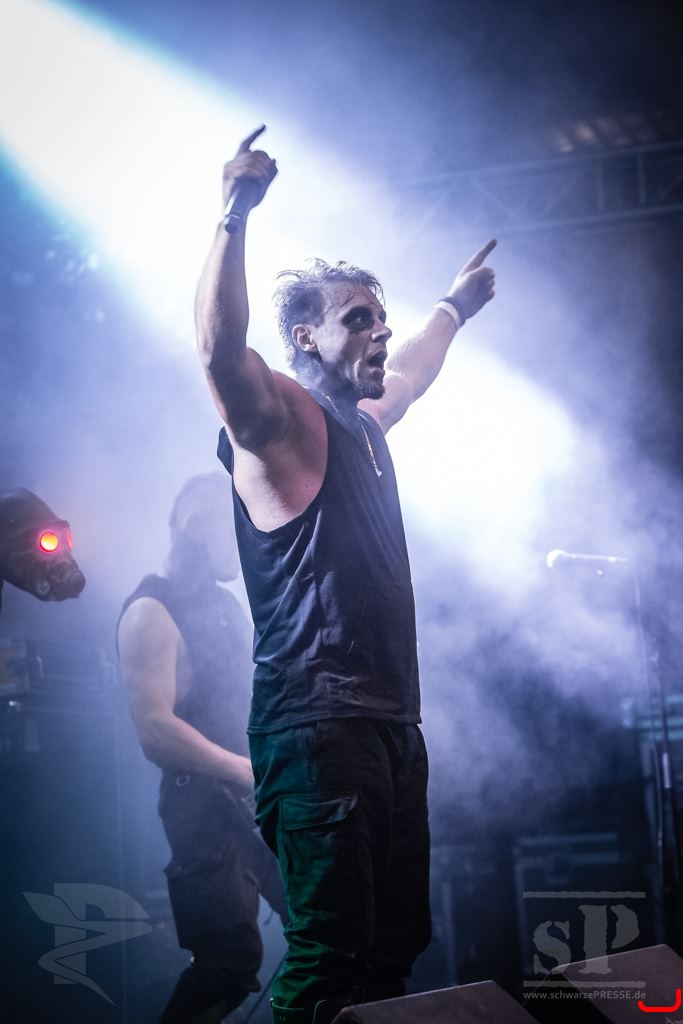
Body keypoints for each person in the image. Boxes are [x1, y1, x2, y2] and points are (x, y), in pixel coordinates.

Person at [195, 126, 496, 1024]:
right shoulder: (278, 421)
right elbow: (218, 353)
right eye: (358, 318)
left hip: (388, 723)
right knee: (329, 956)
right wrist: (233, 212)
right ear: (304, 337)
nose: (380, 332)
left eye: (380, 317)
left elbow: (413, 374)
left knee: (390, 950)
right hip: (317, 725)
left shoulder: (363, 423)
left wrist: (452, 307)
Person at [117, 472, 287, 1024]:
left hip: (256, 798)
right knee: (226, 966)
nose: (245, 541)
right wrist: (244, 770)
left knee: (328, 927)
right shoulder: (150, 610)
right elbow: (154, 729)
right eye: (235, 528)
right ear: (196, 527)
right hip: (203, 810)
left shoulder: (224, 606)